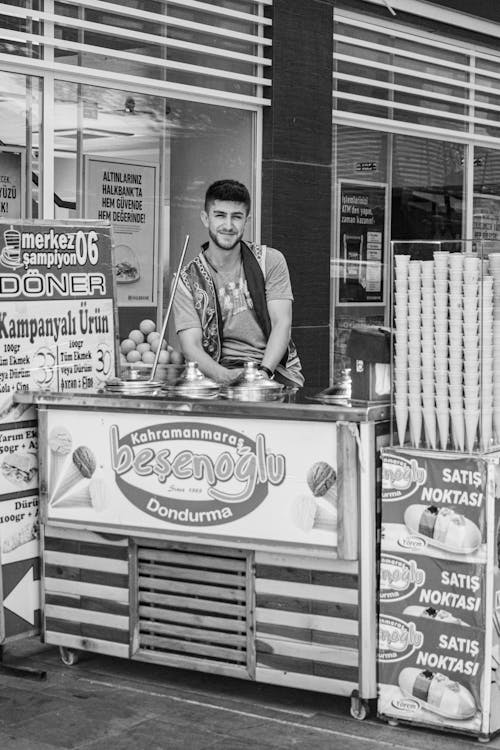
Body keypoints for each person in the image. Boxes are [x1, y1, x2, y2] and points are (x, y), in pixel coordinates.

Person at [173, 179, 303, 387]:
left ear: (246, 221)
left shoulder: (269, 261)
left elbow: (282, 323)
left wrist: (262, 373)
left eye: (236, 217)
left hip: (273, 370)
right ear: (205, 218)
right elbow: (192, 347)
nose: (228, 225)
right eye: (220, 215)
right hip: (218, 374)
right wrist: (227, 378)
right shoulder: (187, 279)